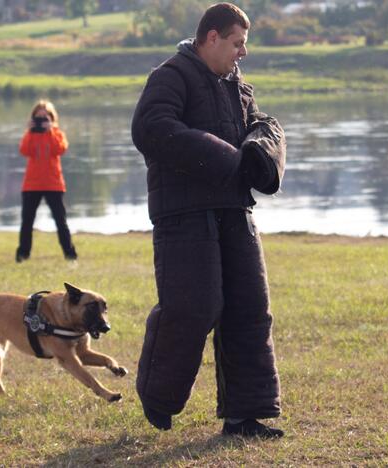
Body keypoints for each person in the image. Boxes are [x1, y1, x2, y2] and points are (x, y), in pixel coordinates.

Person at [131, 3, 287, 438]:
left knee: (249, 310)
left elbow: (261, 125)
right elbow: (151, 128)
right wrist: (228, 158)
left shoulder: (238, 88)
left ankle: (244, 417)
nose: (243, 53)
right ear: (212, 37)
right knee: (193, 308)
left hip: (234, 212)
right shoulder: (169, 76)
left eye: (245, 44)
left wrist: (261, 148)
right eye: (237, 43)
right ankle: (158, 397)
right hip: (184, 216)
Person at [15, 100, 78, 263]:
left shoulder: (57, 134)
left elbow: (60, 149)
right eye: (38, 117)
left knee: (60, 221)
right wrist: (30, 131)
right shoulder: (30, 135)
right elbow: (24, 150)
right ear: (33, 118)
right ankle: (22, 255)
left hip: (53, 184)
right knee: (27, 222)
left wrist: (49, 131)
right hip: (32, 184)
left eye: (45, 118)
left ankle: (70, 255)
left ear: (52, 118)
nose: (41, 121)